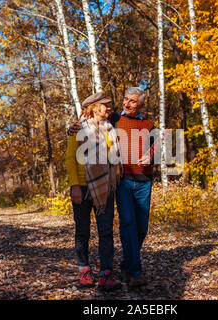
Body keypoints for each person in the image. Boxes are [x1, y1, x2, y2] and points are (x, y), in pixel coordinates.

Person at [68, 87, 157, 288]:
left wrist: (151, 155)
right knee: (117, 226)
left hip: (128, 183)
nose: (125, 103)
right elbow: (72, 153)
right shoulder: (109, 121)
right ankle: (126, 271)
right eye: (125, 99)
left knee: (130, 229)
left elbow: (159, 143)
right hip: (107, 183)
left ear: (141, 104)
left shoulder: (141, 124)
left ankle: (119, 267)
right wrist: (71, 129)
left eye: (132, 101)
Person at [65, 91, 122, 291]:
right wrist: (74, 186)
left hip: (104, 188)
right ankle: (84, 271)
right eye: (105, 105)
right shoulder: (77, 129)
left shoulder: (110, 129)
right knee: (82, 232)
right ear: (95, 107)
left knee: (106, 231)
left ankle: (106, 274)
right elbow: (71, 159)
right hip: (81, 186)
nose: (109, 108)